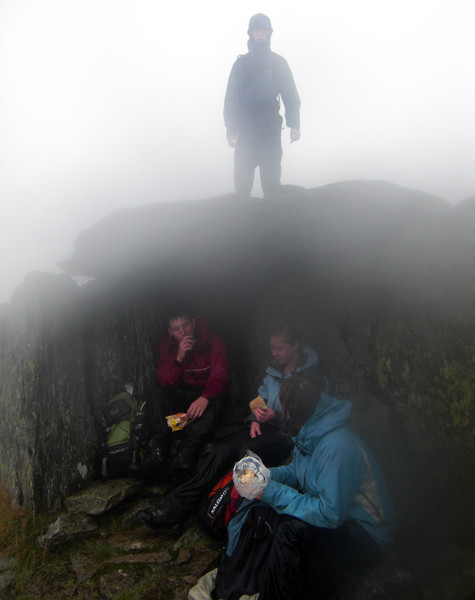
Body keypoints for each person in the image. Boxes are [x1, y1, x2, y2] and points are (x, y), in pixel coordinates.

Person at [211, 376, 397, 600]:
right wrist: (265, 476)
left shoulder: (338, 447)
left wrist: (271, 491)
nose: (280, 411)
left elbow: (330, 514)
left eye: (283, 407)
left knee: (290, 532)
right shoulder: (311, 430)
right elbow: (298, 470)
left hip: (366, 535)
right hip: (341, 518)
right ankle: (246, 577)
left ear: (293, 411)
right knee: (268, 512)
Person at [138, 324, 326, 531]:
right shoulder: (275, 369)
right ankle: (173, 508)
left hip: (288, 435)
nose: (274, 353)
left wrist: (277, 417)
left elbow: (309, 417)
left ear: (296, 346)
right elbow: (259, 396)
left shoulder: (312, 377)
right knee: (221, 450)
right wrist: (255, 417)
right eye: (272, 348)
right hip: (262, 427)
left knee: (244, 453)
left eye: (279, 348)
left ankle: (210, 509)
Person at [141, 311, 229, 482]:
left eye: (186, 325)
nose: (183, 332)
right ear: (170, 331)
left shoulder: (213, 340)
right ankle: (158, 452)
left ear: (193, 323)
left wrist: (206, 397)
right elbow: (165, 381)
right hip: (183, 394)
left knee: (220, 400)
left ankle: (185, 455)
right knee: (155, 394)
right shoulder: (167, 346)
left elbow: (221, 374)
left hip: (207, 395)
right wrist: (179, 357)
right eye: (176, 329)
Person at [224, 13, 301, 198]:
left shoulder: (277, 63)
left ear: (269, 33)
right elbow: (231, 98)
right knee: (242, 185)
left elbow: (290, 94)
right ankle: (242, 223)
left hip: (270, 127)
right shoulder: (241, 64)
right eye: (257, 29)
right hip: (247, 128)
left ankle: (272, 224)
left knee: (272, 184)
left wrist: (294, 124)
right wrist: (231, 129)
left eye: (263, 29)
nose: (260, 33)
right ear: (250, 33)